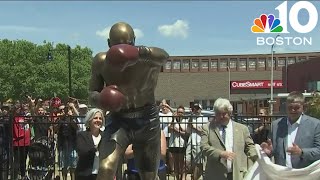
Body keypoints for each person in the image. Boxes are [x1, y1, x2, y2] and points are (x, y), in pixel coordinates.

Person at [88, 22, 169, 180]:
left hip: (147, 119)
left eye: (127, 44)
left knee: (148, 175)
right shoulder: (101, 61)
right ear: (108, 44)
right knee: (106, 167)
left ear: (134, 41)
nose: (121, 50)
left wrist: (140, 52)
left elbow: (165, 56)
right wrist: (102, 99)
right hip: (119, 119)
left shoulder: (147, 58)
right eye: (117, 45)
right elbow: (92, 93)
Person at [200, 98, 257, 180]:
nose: (221, 116)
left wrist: (258, 155)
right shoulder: (207, 128)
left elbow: (249, 147)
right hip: (215, 174)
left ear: (230, 113)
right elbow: (203, 147)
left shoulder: (242, 129)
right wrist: (220, 153)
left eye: (224, 113)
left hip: (236, 174)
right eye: (218, 114)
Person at [261, 91, 320, 168]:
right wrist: (268, 152)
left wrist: (301, 152)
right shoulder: (276, 125)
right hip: (283, 174)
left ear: (303, 107)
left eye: (296, 108)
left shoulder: (315, 125)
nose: (292, 110)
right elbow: (274, 151)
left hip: (306, 174)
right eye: (290, 107)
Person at [75, 108, 105, 180]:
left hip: (102, 174)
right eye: (95, 118)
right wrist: (96, 148)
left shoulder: (105, 136)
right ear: (89, 119)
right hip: (85, 175)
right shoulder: (82, 135)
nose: (98, 120)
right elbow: (82, 152)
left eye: (100, 118)